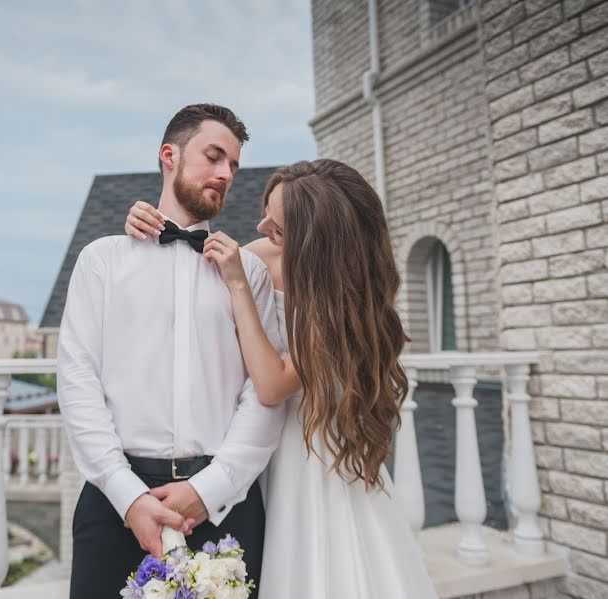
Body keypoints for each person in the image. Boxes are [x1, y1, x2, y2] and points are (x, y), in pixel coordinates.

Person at [125, 159, 439, 598]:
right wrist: (145, 229)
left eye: (277, 227)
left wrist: (239, 288)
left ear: (316, 243)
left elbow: (273, 385)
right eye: (265, 211)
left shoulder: (342, 297)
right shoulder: (264, 255)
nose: (260, 226)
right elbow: (188, 273)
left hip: (312, 451)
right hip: (259, 443)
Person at [57, 103, 287, 599]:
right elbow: (77, 383)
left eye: (234, 165)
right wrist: (128, 495)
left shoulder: (249, 275)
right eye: (214, 156)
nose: (226, 173)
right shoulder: (101, 261)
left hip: (224, 506)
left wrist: (210, 489)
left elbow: (264, 393)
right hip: (115, 502)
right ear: (169, 156)